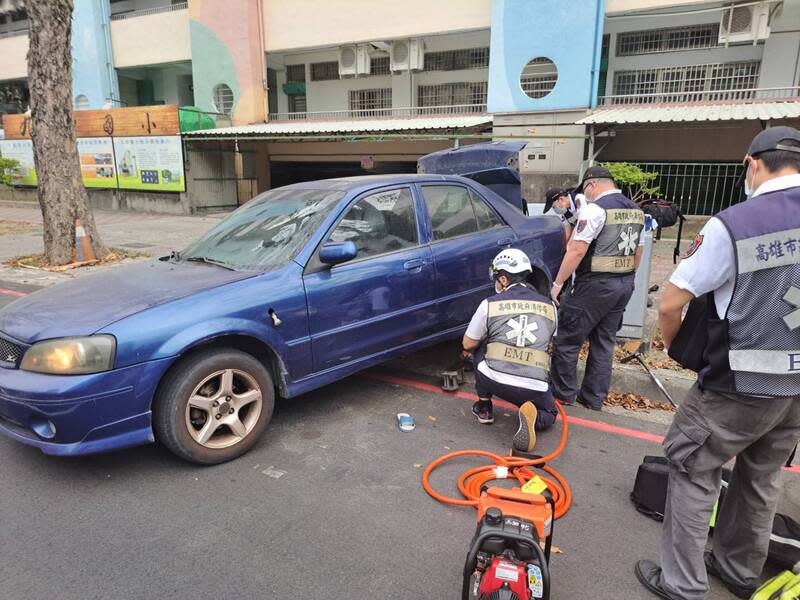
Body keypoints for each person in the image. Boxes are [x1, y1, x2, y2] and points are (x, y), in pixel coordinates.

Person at [635, 126, 800, 600]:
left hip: (737, 384)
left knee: (692, 470)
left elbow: (671, 302)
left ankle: (682, 585)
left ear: (752, 163)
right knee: (762, 477)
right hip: (795, 391)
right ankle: (739, 569)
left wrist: (674, 348)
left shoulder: (736, 223)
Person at [548, 166, 645, 410]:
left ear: (592, 185)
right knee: (604, 342)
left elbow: (577, 249)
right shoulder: (636, 211)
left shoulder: (595, 210)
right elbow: (638, 251)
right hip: (623, 283)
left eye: (586, 190)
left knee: (568, 339)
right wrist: (627, 277)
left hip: (594, 284)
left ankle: (563, 394)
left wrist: (557, 284)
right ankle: (592, 398)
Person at [462, 248, 560, 453]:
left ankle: (484, 408)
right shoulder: (551, 307)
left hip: (494, 380)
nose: (496, 283)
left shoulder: (490, 304)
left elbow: (467, 344)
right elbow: (550, 343)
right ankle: (535, 418)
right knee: (551, 412)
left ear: (504, 279)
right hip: (534, 386)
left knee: (478, 345)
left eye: (497, 279)